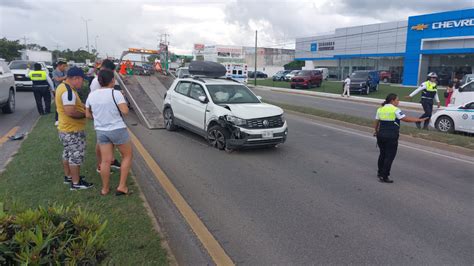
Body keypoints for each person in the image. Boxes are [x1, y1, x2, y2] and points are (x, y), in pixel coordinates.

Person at [85, 69, 132, 196]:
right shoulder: (116, 93)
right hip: (117, 129)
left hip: (101, 130)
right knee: (127, 156)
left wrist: (100, 117)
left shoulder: (92, 95)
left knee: (105, 161)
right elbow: (125, 111)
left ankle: (105, 189)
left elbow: (87, 115)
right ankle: (122, 186)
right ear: (112, 80)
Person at [374, 93, 428, 183]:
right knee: (389, 156)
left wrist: (376, 131)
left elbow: (376, 122)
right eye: (397, 100)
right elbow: (405, 119)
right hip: (391, 136)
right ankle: (384, 176)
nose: (398, 102)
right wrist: (419, 120)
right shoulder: (395, 110)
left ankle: (380, 173)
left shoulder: (380, 109)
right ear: (392, 101)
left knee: (382, 154)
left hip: (381, 135)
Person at [55, 67, 93, 190]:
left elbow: (76, 104)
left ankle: (69, 177)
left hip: (64, 129)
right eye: (82, 80)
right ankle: (76, 183)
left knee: (67, 154)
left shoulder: (63, 87)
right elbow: (70, 111)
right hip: (72, 130)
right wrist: (85, 114)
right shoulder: (68, 92)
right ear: (76, 78)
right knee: (75, 156)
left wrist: (85, 106)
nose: (83, 82)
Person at [89, 59, 122, 171]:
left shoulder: (105, 80)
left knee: (108, 142)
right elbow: (94, 101)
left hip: (109, 118)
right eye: (111, 71)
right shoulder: (96, 82)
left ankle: (111, 160)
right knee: (101, 143)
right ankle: (100, 165)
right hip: (101, 119)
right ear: (106, 69)